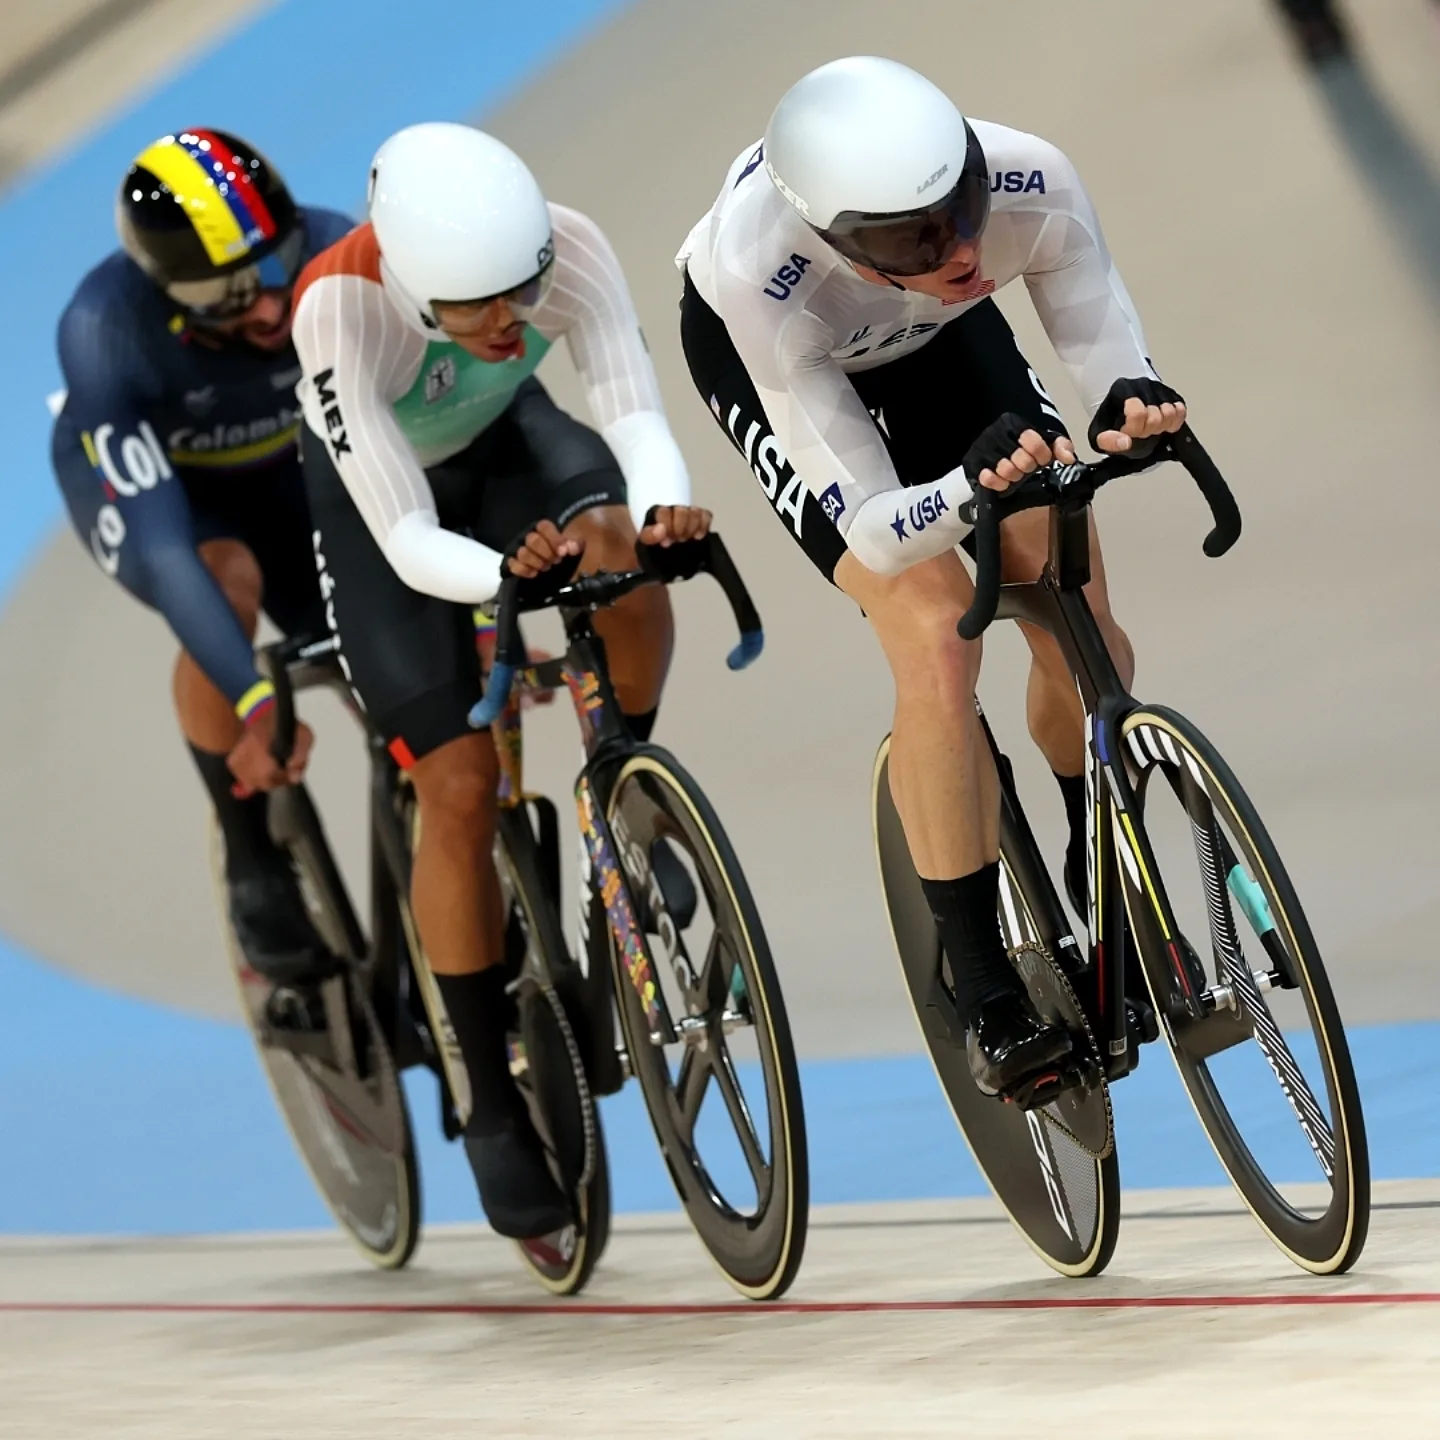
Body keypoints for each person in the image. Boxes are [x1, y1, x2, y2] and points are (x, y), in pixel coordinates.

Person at [676, 57, 1188, 1100]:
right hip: (790, 367)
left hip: (940, 339)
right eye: (915, 239)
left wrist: (1129, 401)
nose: (957, 250)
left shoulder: (1027, 177)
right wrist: (962, 489)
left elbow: (1101, 341)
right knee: (937, 632)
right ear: (835, 239)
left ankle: (1098, 855)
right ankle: (982, 980)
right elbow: (876, 528)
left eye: (961, 212)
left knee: (1077, 605)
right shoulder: (757, 279)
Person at [291, 121, 710, 1240]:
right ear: (409, 282)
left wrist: (661, 508)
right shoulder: (339, 309)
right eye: (473, 305)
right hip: (391, 510)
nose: (508, 319)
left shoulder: (567, 247)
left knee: (621, 558)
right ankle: (486, 1094)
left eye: (521, 291)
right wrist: (506, 581)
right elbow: (405, 538)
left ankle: (628, 798)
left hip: (505, 437)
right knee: (459, 786)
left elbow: (631, 412)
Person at [51, 129, 353, 984]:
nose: (267, 309)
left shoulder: (335, 249)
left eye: (275, 265)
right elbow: (164, 549)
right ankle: (251, 851)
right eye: (225, 296)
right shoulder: (105, 330)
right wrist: (255, 701)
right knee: (226, 583)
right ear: (166, 292)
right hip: (182, 505)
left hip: (300, 476)